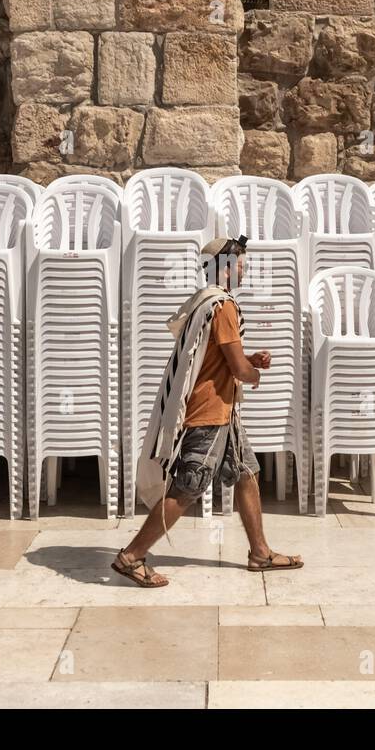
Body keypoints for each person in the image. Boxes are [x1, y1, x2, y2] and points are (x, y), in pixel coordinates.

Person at [112, 236, 303, 587]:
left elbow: (219, 358)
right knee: (188, 488)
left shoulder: (206, 301)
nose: (245, 272)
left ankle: (260, 552)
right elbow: (237, 369)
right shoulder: (224, 306)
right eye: (242, 265)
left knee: (246, 472)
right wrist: (254, 373)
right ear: (226, 268)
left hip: (223, 411)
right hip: (209, 412)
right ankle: (131, 556)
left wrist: (247, 360)